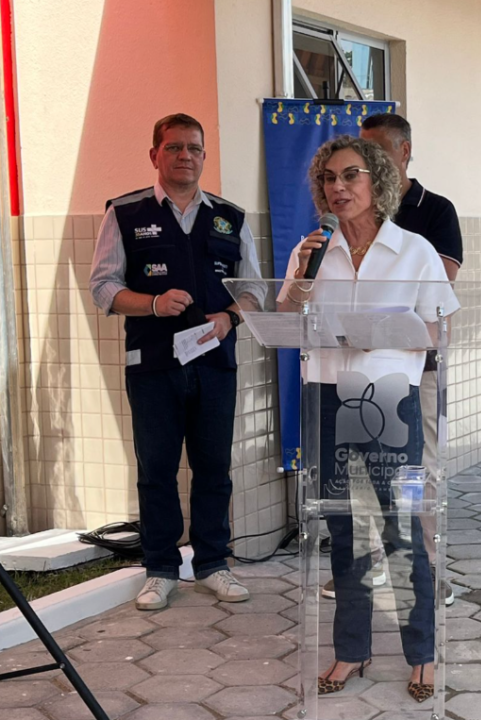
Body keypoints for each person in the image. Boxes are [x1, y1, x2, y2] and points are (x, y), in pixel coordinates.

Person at [279, 135, 459, 702]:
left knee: (397, 528)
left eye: (350, 176)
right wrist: (304, 273)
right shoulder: (313, 250)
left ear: (377, 184)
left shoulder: (414, 250)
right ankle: (350, 650)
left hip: (387, 399)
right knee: (343, 529)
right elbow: (288, 315)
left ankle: (422, 654)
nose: (338, 187)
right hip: (328, 396)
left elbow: (440, 330)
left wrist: (386, 333)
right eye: (329, 178)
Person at [89, 113, 263, 610]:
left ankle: (212, 564)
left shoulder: (231, 217)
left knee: (214, 469)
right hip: (153, 367)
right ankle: (161, 568)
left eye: (194, 148)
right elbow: (102, 286)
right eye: (174, 147)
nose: (185, 155)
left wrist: (231, 318)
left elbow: (252, 291)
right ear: (154, 155)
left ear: (205, 157)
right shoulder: (124, 213)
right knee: (157, 469)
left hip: (214, 365)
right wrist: (150, 303)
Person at [357, 113, 462, 608]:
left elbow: (438, 285)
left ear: (403, 152)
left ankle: (429, 569)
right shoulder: (353, 213)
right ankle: (373, 562)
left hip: (417, 371)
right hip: (358, 371)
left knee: (420, 471)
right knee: (363, 471)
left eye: (376, 150)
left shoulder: (435, 211)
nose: (366, 162)